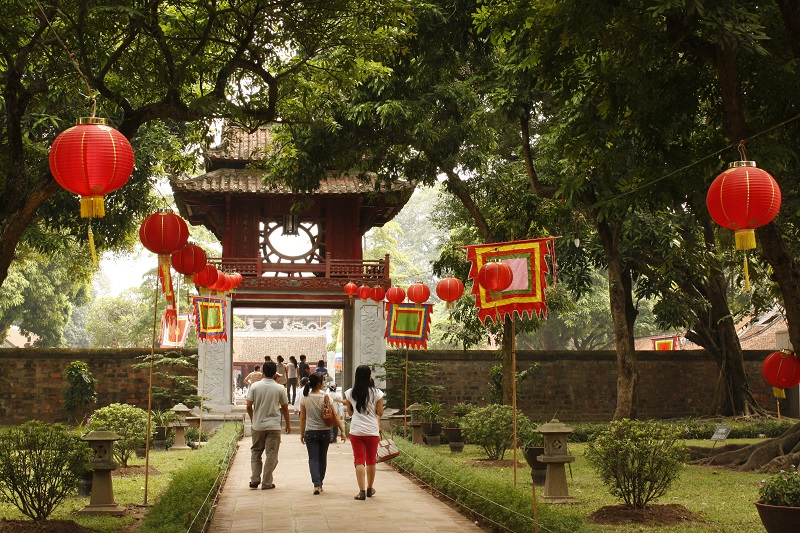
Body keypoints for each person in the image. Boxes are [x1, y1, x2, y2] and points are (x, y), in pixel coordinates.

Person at [246, 361, 291, 490]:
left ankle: (255, 479)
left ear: (263, 372)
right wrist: (288, 424)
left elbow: (249, 406)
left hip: (258, 425)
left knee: (256, 452)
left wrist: (253, 418)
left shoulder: (254, 387)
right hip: (274, 426)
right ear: (274, 373)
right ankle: (266, 481)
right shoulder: (279, 388)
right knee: (272, 454)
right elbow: (285, 408)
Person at [300, 372, 346, 494]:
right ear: (319, 383)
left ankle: (316, 484)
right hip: (325, 432)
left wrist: (302, 433)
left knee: (313, 459)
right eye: (323, 381)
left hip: (310, 432)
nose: (324, 383)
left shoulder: (305, 398)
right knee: (322, 458)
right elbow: (335, 415)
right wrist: (342, 431)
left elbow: (303, 418)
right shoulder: (326, 397)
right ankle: (320, 482)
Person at [344, 365, 384, 500]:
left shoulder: (350, 393)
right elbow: (380, 412)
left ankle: (361, 491)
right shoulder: (377, 393)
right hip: (372, 431)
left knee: (359, 460)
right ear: (369, 376)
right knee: (371, 460)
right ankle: (369, 488)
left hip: (356, 430)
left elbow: (349, 413)